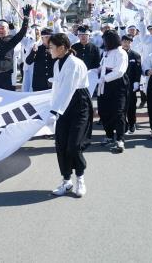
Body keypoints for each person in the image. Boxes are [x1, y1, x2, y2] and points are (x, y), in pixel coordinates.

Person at [45, 33, 93, 197]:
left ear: (62, 48)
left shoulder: (74, 63)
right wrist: (52, 108)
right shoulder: (57, 63)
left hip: (79, 104)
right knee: (61, 144)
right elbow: (57, 89)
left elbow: (68, 89)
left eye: (51, 47)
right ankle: (66, 181)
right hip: (63, 105)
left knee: (74, 144)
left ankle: (80, 178)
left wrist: (54, 111)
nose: (49, 49)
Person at [97, 31, 129, 152]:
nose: (103, 42)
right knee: (104, 111)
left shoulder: (121, 53)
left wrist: (104, 78)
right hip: (104, 85)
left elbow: (120, 71)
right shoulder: (106, 52)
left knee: (118, 112)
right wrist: (93, 72)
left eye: (105, 40)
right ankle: (109, 135)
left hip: (117, 85)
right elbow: (101, 67)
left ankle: (120, 139)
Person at [121, 35, 142, 134]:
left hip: (131, 84)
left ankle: (132, 123)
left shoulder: (135, 55)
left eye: (128, 42)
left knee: (131, 106)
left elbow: (138, 70)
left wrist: (137, 82)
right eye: (124, 41)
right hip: (119, 84)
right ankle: (123, 124)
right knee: (121, 106)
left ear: (130, 43)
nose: (126, 43)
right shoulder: (118, 54)